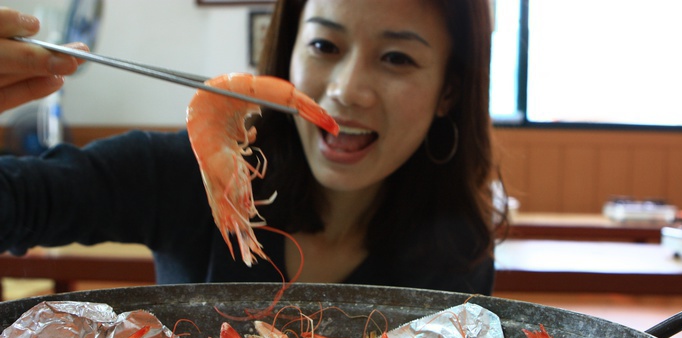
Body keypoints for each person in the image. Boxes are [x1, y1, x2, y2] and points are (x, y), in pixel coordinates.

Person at [0, 0, 504, 295]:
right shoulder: (180, 172)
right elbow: (16, 201)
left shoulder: (457, 252)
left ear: (449, 92)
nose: (348, 90)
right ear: (288, 51)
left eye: (396, 58)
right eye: (325, 46)